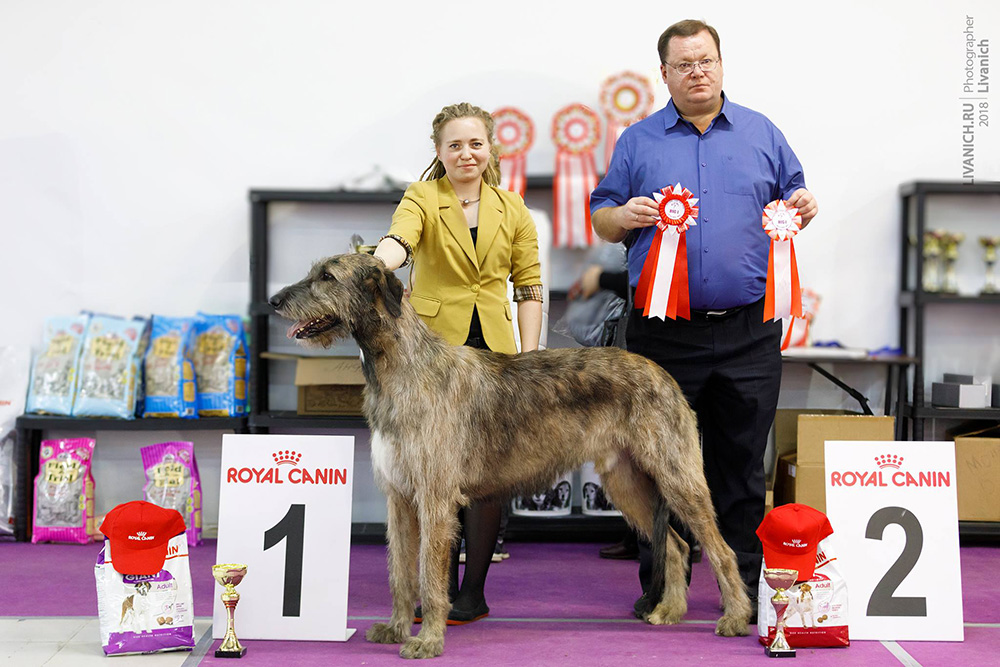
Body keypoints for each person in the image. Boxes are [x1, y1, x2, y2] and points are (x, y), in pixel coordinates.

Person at [590, 19, 818, 619]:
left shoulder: (763, 132)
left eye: (706, 60)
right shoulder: (638, 141)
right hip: (663, 333)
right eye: (683, 63)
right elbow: (601, 217)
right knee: (656, 466)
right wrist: (628, 216)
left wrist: (806, 205)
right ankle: (663, 588)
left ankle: (742, 592)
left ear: (721, 64)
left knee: (741, 463)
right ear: (663, 73)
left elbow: (796, 198)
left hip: (749, 329)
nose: (697, 72)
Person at [373, 102, 543, 625]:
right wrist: (377, 263)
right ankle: (437, 585)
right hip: (430, 356)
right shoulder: (422, 198)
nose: (465, 153)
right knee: (431, 471)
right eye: (454, 145)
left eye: (475, 144)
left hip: (495, 355)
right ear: (440, 152)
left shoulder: (512, 207)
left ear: (491, 148)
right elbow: (400, 240)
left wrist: (531, 358)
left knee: (487, 474)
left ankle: (473, 590)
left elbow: (530, 284)